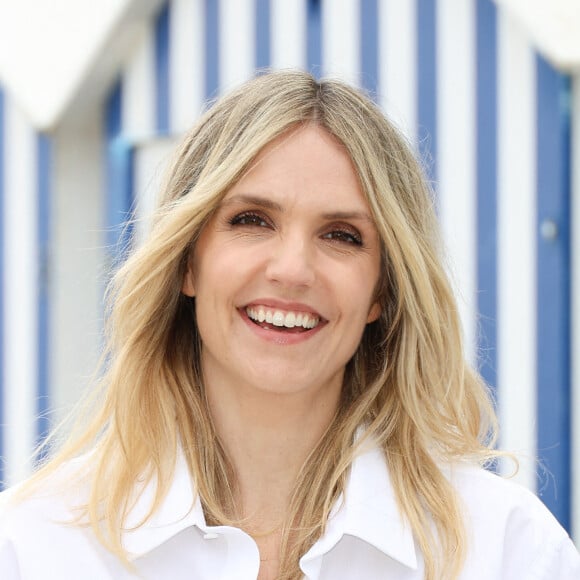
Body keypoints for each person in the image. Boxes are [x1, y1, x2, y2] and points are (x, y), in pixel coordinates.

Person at [0, 70, 578, 580]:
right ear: (187, 262)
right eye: (252, 220)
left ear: (381, 291)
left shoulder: (506, 548)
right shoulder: (34, 544)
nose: (293, 270)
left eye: (341, 236)